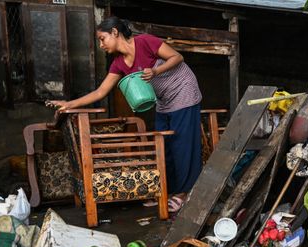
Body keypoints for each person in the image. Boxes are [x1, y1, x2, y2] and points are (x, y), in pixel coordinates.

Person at [49, 16, 202, 213]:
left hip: (183, 89)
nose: (101, 44)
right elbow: (100, 92)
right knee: (164, 144)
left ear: (115, 32)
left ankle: (185, 192)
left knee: (183, 143)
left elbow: (177, 57)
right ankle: (166, 190)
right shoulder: (119, 63)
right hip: (163, 98)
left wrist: (156, 72)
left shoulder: (145, 41)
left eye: (102, 38)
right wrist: (68, 104)